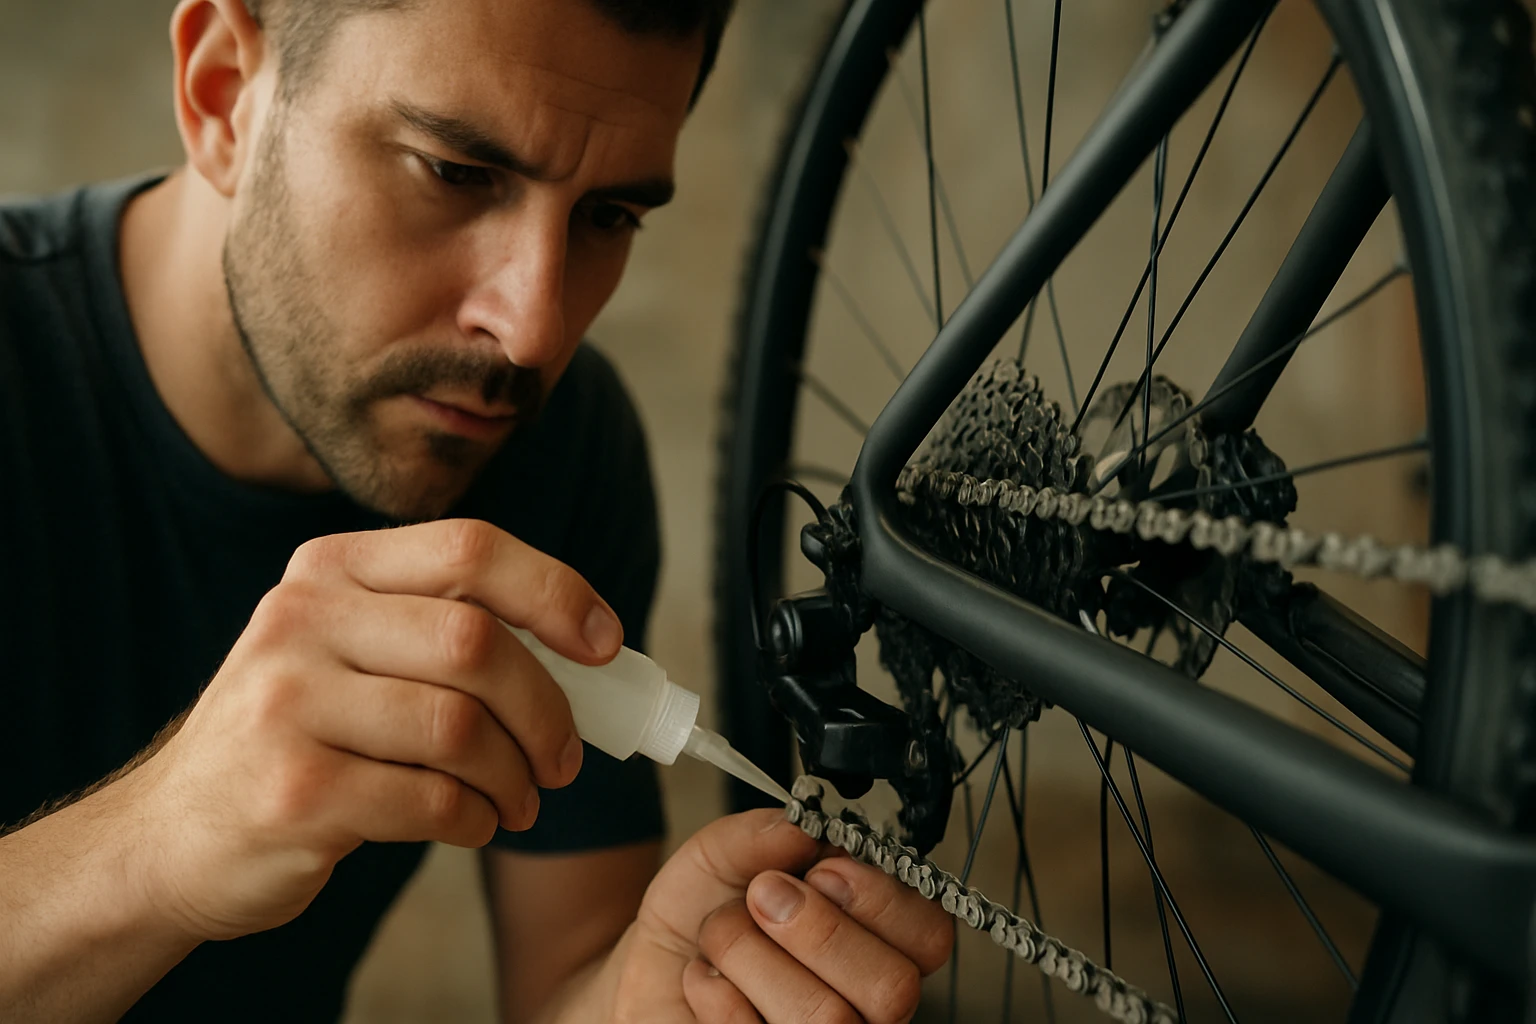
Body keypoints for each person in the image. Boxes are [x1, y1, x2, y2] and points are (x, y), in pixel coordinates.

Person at [0, 0, 955, 1020]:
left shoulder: (558, 445)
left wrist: (650, 989)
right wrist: (156, 842)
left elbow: (563, 989)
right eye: (454, 172)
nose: (532, 330)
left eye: (608, 216)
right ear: (224, 91)